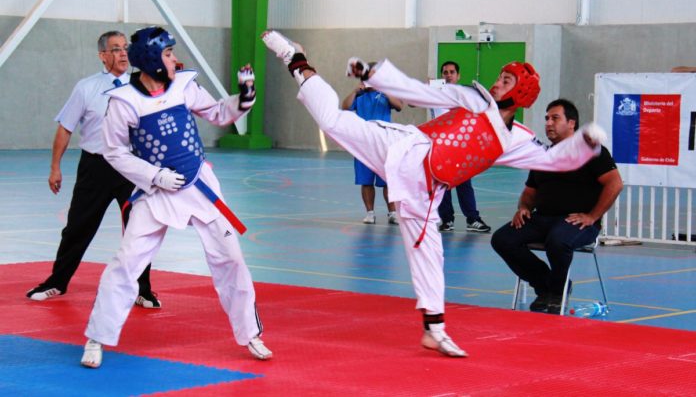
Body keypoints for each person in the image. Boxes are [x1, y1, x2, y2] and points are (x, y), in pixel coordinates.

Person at [262, 30, 606, 358]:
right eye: (500, 76)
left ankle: (434, 329)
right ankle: (296, 58)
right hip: (402, 145)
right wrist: (372, 74)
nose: (497, 82)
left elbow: (551, 159)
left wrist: (585, 143)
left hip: (426, 189)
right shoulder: (473, 99)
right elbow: (418, 92)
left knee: (430, 254)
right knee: (332, 120)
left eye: (506, 80)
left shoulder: (515, 139)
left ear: (521, 95)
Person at [80, 27, 272, 368]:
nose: (173, 59)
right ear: (153, 60)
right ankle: (97, 337)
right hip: (155, 194)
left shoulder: (184, 86)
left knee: (231, 259)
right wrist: (155, 176)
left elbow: (217, 112)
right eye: (167, 54)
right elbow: (114, 152)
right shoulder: (123, 101)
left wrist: (244, 97)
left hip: (200, 186)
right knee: (126, 264)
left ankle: (250, 334)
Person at [26, 31, 160, 309]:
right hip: (95, 167)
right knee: (77, 227)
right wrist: (55, 168)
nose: (123, 53)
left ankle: (143, 289)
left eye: (126, 48)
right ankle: (56, 282)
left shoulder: (142, 86)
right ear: (102, 55)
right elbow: (65, 127)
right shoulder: (86, 88)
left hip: (132, 168)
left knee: (139, 230)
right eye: (116, 49)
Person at [491, 99, 622, 315]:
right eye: (546, 119)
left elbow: (615, 183)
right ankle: (546, 286)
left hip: (577, 222)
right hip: (543, 219)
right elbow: (529, 193)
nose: (548, 123)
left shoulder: (593, 152)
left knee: (558, 240)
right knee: (503, 239)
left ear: (572, 123)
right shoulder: (543, 155)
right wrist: (523, 208)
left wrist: (592, 216)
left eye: (555, 118)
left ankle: (556, 293)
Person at [430, 61, 490, 233]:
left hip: (461, 147)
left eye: (452, 72)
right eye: (445, 72)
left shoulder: (465, 96)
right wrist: (424, 87)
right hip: (441, 147)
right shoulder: (433, 94)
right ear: (441, 75)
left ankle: (473, 219)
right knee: (443, 185)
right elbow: (411, 103)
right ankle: (447, 220)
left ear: (458, 75)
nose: (448, 75)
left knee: (465, 184)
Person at [341, 78, 403, 225]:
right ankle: (370, 213)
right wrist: (355, 91)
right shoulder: (359, 96)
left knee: (388, 181)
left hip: (384, 144)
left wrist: (385, 90)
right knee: (366, 181)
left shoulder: (385, 94)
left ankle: (392, 213)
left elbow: (399, 105)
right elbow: (344, 107)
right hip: (364, 144)